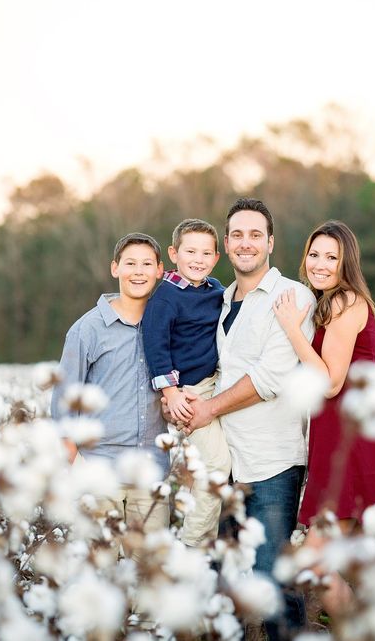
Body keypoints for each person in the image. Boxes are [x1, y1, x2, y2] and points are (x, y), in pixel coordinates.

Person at [174, 198, 316, 640]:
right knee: (221, 585)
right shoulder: (216, 298)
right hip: (223, 461)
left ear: (271, 242)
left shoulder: (292, 297)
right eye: (236, 234)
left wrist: (207, 409)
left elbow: (270, 377)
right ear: (226, 244)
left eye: (256, 234)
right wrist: (175, 394)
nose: (245, 242)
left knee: (272, 583)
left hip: (271, 462)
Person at [272, 219, 375, 616]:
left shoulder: (347, 302)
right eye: (314, 254)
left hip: (353, 445)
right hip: (339, 441)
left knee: (314, 563)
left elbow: (330, 383)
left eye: (332, 257)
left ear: (348, 263)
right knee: (342, 561)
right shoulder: (327, 303)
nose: (321, 263)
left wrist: (292, 330)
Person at [51, 232, 170, 543]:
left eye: (147, 264)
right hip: (99, 471)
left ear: (160, 270)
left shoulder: (168, 325)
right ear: (115, 268)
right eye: (130, 263)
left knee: (150, 573)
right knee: (98, 570)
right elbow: (64, 403)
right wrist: (73, 467)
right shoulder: (86, 330)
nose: (139, 271)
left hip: (151, 472)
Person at [142, 218, 230, 547]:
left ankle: (210, 541)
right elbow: (156, 345)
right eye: (190, 251)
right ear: (174, 253)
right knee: (218, 465)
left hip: (217, 384)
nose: (198, 259)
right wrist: (171, 392)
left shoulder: (215, 291)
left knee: (220, 464)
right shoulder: (165, 296)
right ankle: (192, 543)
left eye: (206, 253)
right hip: (187, 393)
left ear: (216, 258)